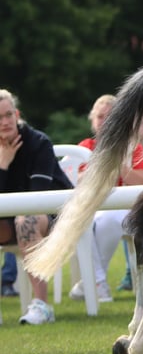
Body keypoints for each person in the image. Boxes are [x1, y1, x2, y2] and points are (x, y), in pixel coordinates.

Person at [0, 88, 73, 324]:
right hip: (10, 218)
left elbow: (37, 198)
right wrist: (3, 165)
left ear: (17, 114)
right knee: (20, 220)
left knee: (26, 220)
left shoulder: (38, 142)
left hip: (55, 216)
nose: (4, 122)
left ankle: (42, 306)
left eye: (8, 115)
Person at [69, 95, 143, 303]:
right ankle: (98, 282)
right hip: (92, 208)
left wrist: (120, 163)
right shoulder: (84, 147)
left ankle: (93, 282)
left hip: (124, 209)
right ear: (92, 120)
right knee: (77, 221)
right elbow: (76, 180)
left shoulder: (133, 147)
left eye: (109, 116)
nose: (103, 121)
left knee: (110, 219)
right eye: (99, 116)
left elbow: (141, 182)